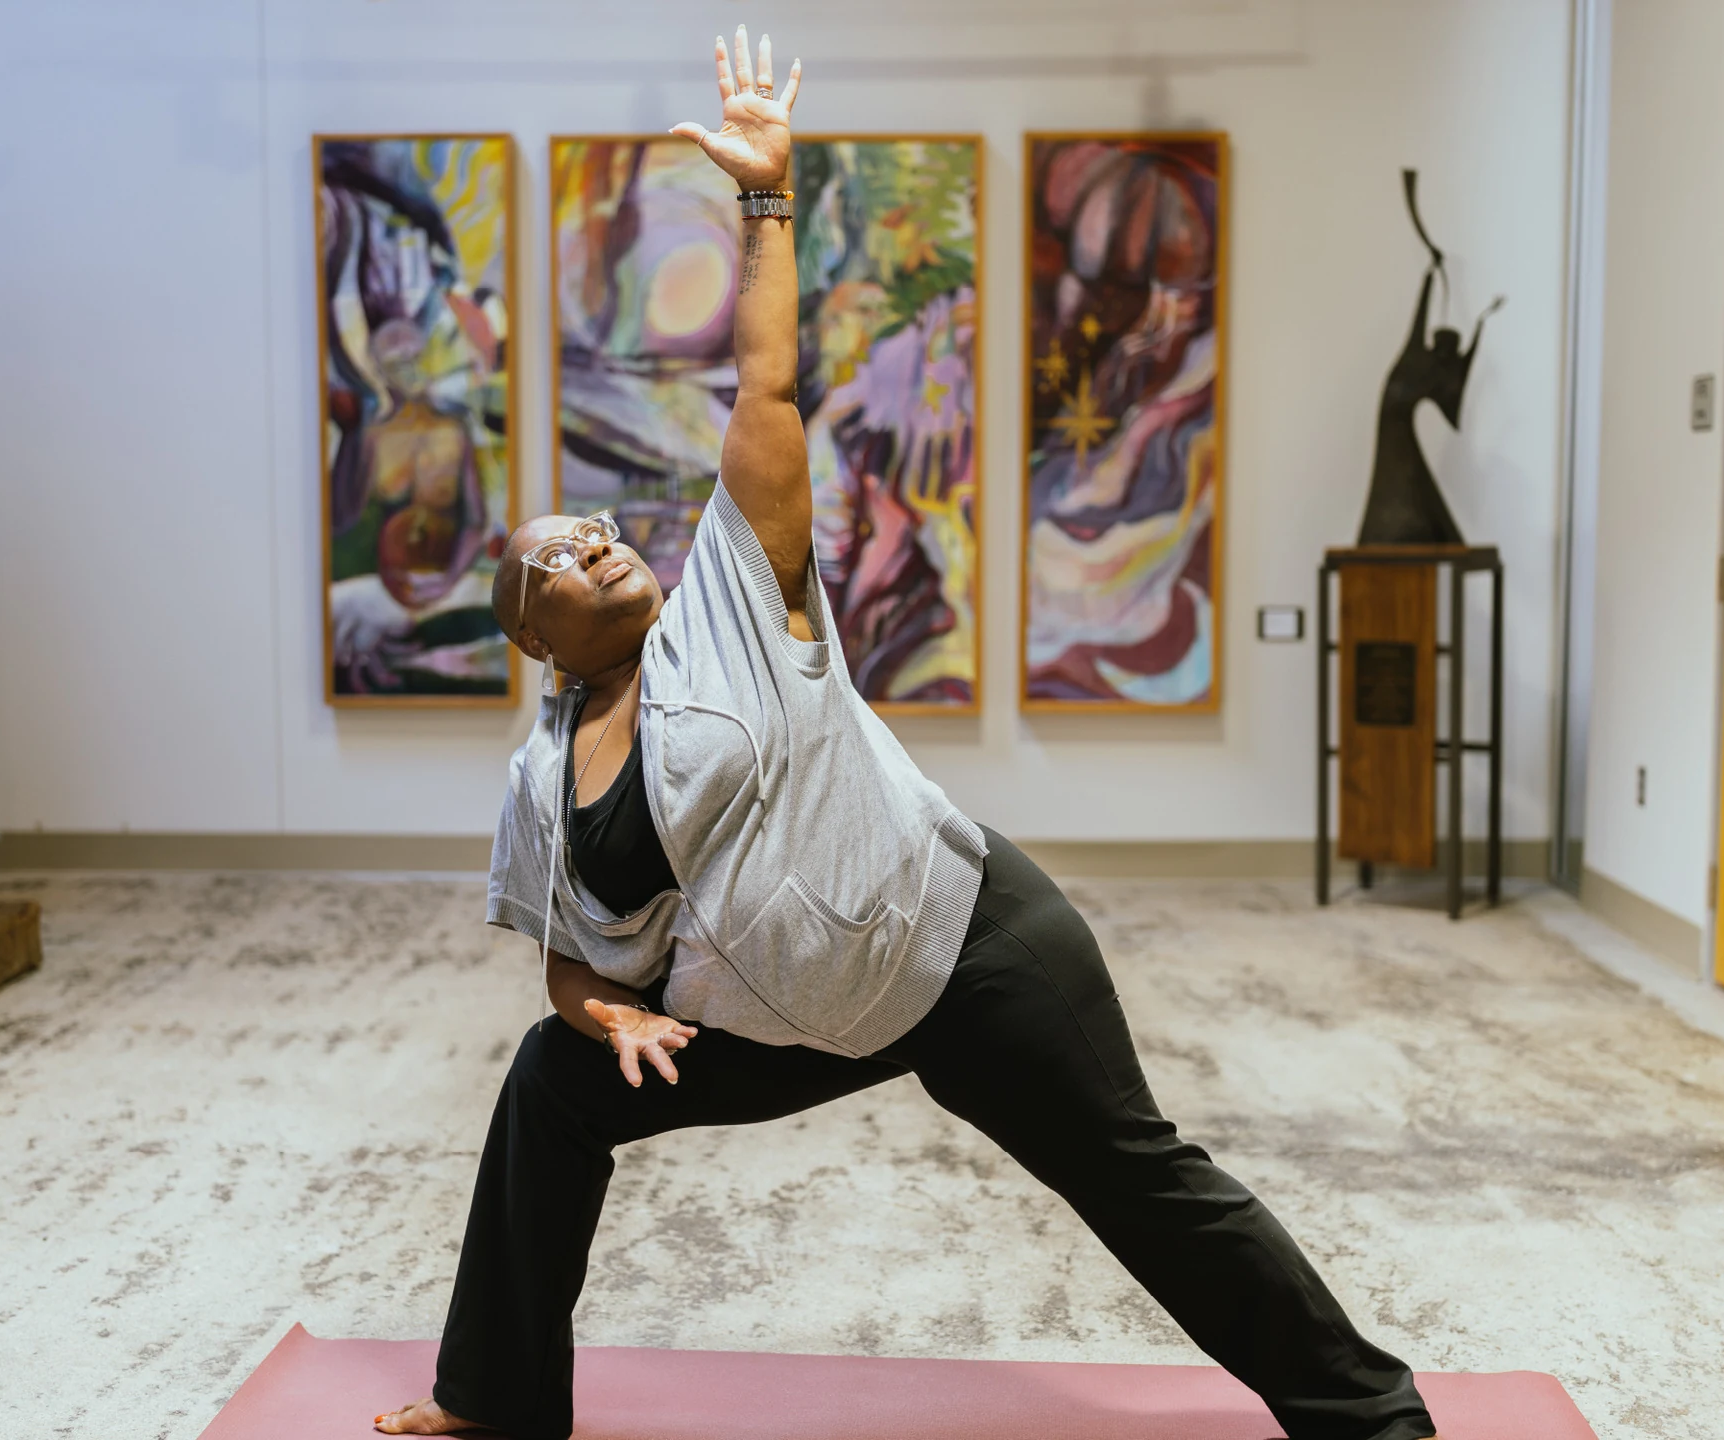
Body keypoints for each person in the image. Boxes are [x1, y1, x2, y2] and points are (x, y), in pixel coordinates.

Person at [376, 28, 1437, 1440]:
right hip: (790, 1019)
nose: (595, 544)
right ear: (530, 632)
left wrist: (765, 204)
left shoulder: (736, 606)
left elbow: (765, 394)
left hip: (959, 953)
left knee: (1139, 1181)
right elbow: (572, 957)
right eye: (557, 557)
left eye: (596, 528)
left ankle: (1374, 1417)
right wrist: (608, 1014)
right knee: (551, 1082)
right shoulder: (542, 784)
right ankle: (498, 1404)